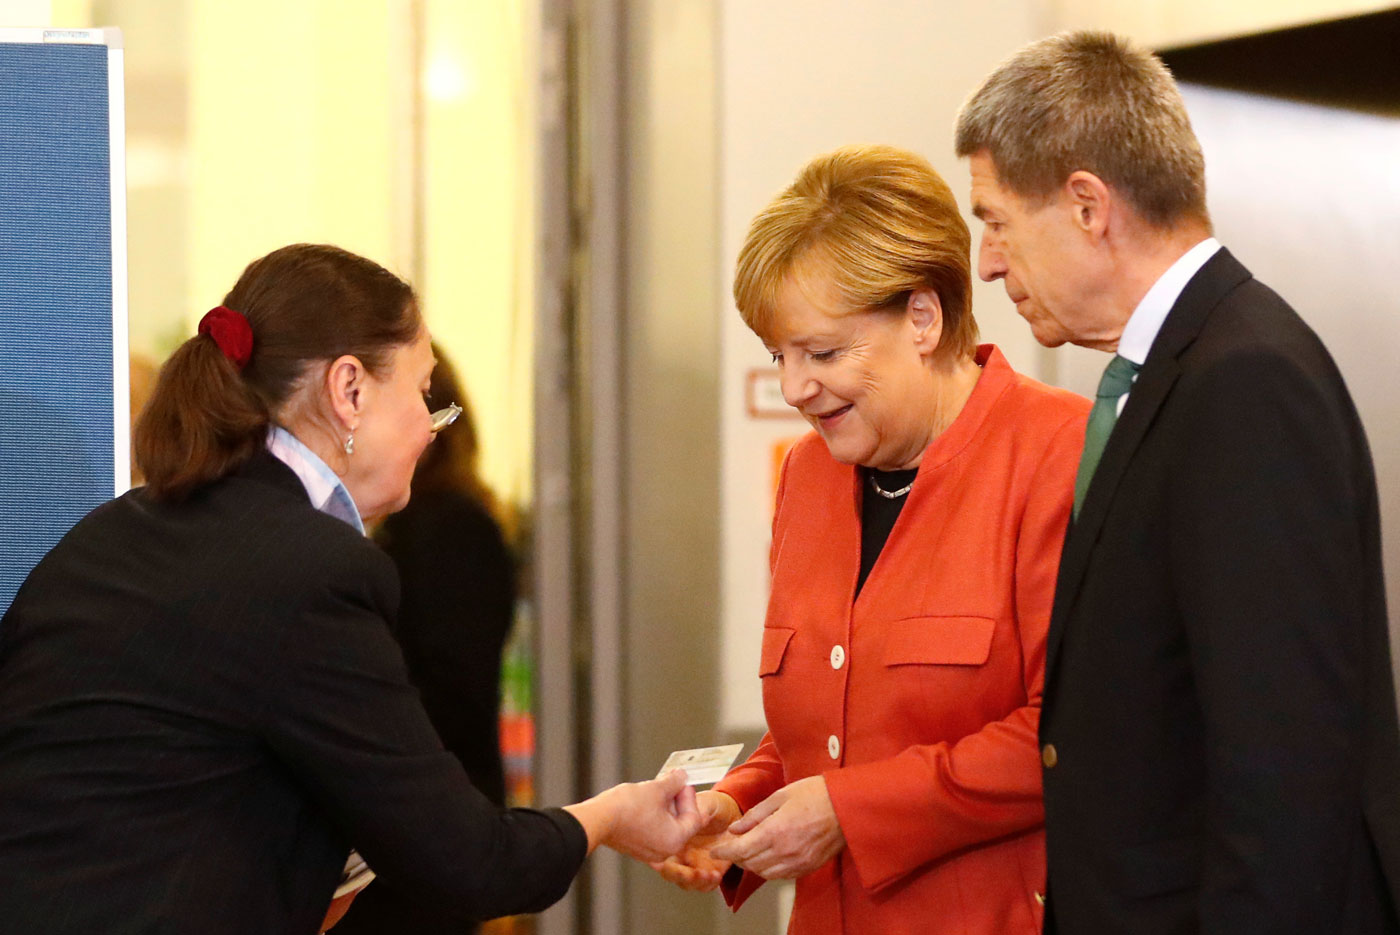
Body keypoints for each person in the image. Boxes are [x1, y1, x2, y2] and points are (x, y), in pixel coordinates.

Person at [0, 243, 702, 935]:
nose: (431, 428)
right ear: (350, 389)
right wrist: (608, 816)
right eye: (423, 393)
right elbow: (470, 861)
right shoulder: (308, 567)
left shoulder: (109, 534)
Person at [955, 31, 1400, 935]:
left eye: (996, 220)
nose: (989, 262)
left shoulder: (1244, 381)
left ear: (1087, 205)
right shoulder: (1177, 370)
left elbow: (1283, 772)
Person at [654, 145, 1089, 934]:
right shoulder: (808, 479)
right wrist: (733, 807)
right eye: (778, 355)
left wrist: (849, 812)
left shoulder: (1060, 454)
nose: (794, 388)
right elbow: (827, 734)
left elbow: (1065, 734)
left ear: (923, 317)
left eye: (822, 353)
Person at [336, 349, 517, 935]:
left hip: (431, 810)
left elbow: (446, 686)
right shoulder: (442, 523)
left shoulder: (445, 528)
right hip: (437, 802)